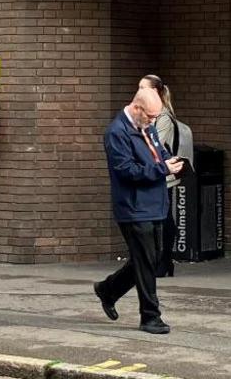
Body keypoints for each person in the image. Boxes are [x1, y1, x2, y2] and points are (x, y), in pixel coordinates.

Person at [94, 87, 183, 335]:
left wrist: (170, 162)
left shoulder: (147, 127)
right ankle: (150, 316)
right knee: (145, 263)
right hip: (133, 206)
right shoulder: (117, 133)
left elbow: (159, 153)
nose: (154, 121)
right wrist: (162, 169)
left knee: (152, 259)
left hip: (155, 202)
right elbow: (126, 171)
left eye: (156, 117)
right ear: (137, 108)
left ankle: (109, 289)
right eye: (151, 116)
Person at [139, 75, 194, 278]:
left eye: (143, 88)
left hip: (163, 175)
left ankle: (164, 261)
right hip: (151, 174)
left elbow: (154, 146)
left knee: (162, 218)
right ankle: (159, 261)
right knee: (158, 217)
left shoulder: (163, 118)